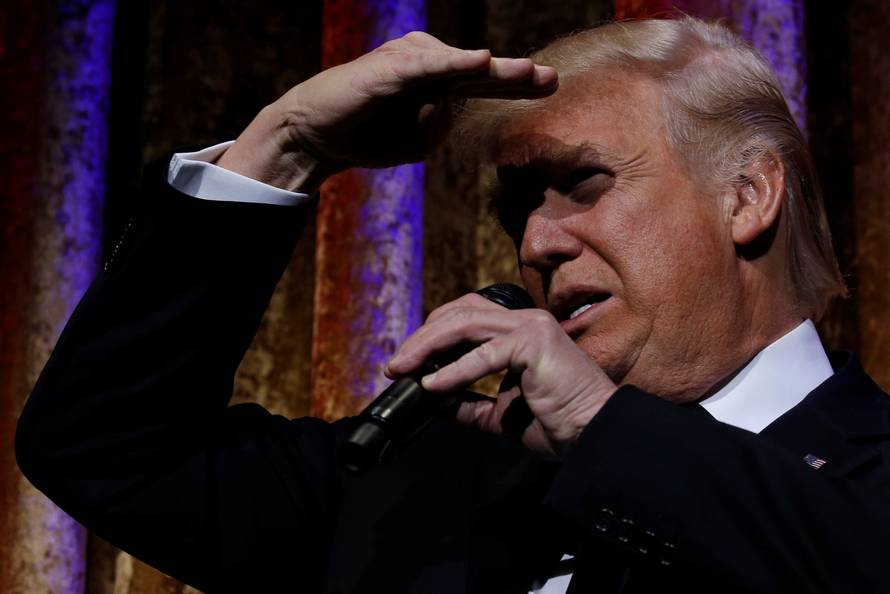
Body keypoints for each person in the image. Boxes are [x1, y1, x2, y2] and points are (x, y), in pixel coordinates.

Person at [15, 15, 890, 594]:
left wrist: (602, 425)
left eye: (582, 182)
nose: (538, 243)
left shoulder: (867, 487)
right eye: (519, 212)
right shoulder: (414, 483)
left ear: (747, 195)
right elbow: (106, 449)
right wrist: (281, 151)